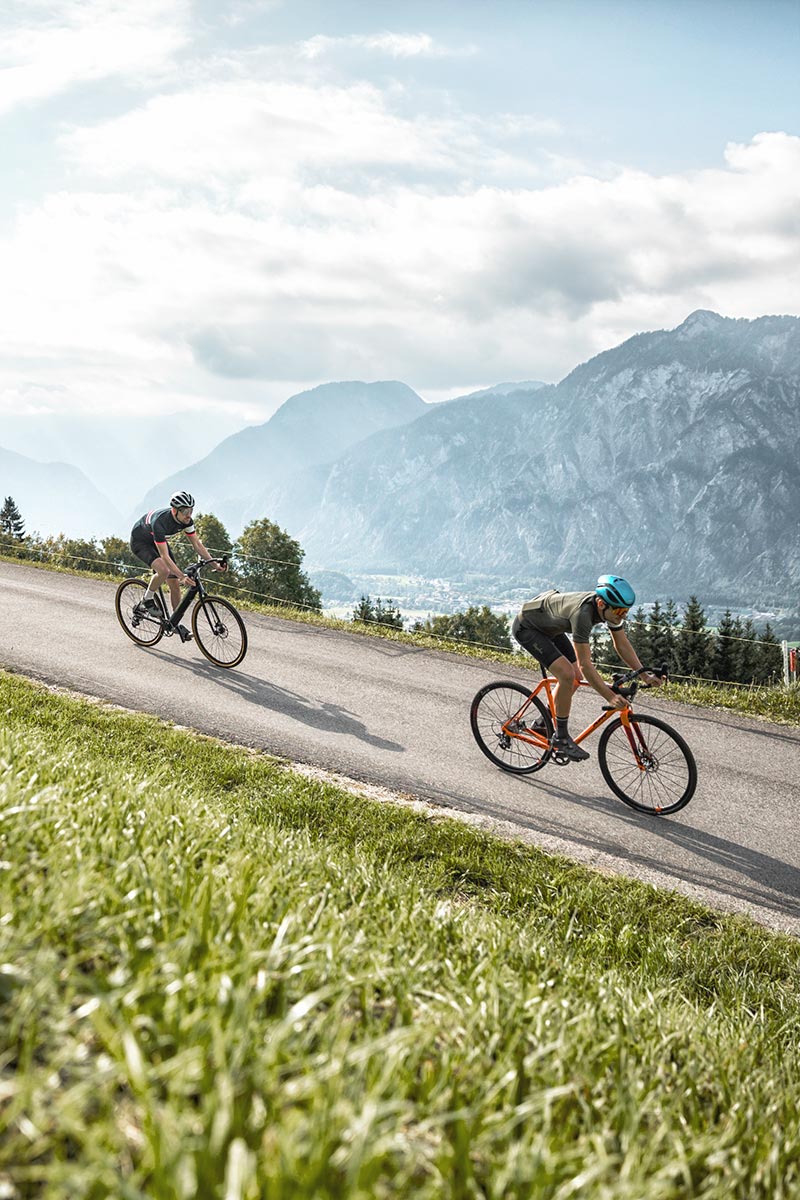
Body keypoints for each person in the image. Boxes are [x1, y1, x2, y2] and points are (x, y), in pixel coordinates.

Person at [512, 575, 663, 762]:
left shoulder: (610, 610)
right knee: (567, 675)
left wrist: (645, 676)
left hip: (551, 628)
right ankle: (560, 737)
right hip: (528, 628)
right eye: (619, 610)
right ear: (601, 603)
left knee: (575, 678)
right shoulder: (582, 615)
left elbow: (621, 644)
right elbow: (585, 663)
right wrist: (610, 696)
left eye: (626, 610)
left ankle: (542, 723)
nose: (623, 615)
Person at [129, 491, 224, 642]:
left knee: (174, 584)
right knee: (164, 571)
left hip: (156, 541)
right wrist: (182, 576)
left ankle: (174, 623)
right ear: (175, 510)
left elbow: (197, 545)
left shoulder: (187, 521)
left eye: (191, 510)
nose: (189, 514)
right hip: (141, 542)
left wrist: (214, 564)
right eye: (185, 511)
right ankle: (147, 599)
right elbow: (165, 557)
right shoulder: (160, 522)